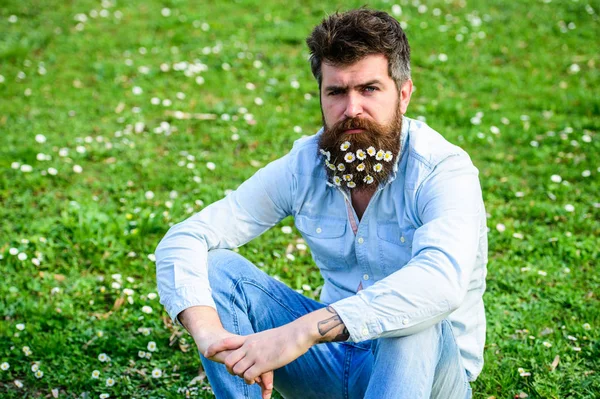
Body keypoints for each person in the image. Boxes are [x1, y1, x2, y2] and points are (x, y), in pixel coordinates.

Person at [156, 8, 487, 399]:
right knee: (217, 268)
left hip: (427, 377)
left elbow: (439, 285)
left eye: (369, 89)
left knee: (410, 315)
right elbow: (187, 237)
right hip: (332, 361)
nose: (351, 109)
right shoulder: (305, 166)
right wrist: (212, 336)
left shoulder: (442, 170)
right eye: (336, 92)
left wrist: (300, 332)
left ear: (403, 94)